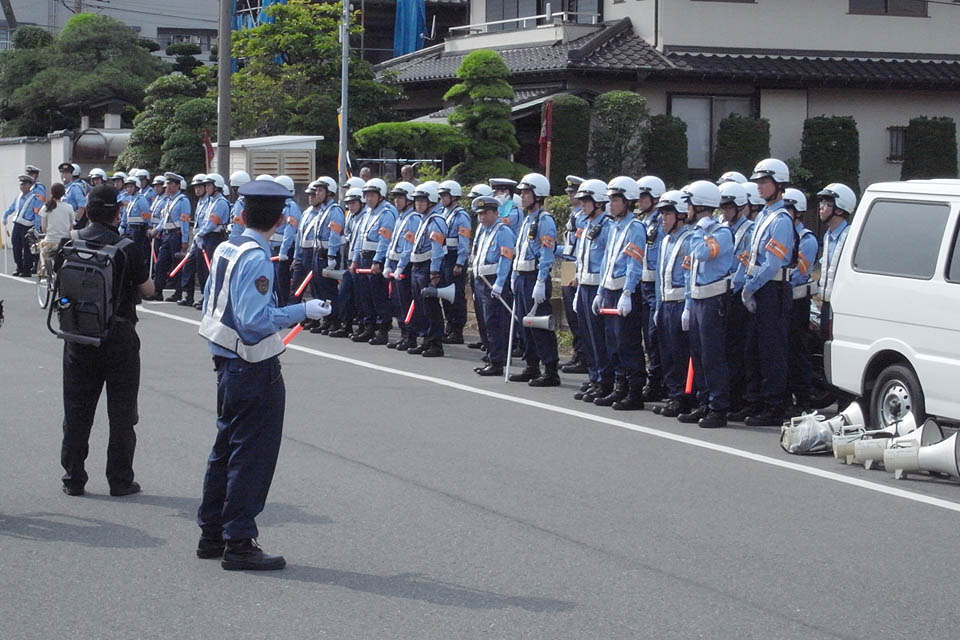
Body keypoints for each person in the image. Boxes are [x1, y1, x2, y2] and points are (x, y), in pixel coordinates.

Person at [197, 178, 332, 571]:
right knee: (252, 456)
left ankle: (212, 533)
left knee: (225, 450)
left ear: (242, 212)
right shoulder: (257, 256)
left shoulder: (227, 245)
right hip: (252, 362)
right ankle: (238, 540)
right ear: (281, 217)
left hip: (225, 359)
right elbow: (255, 322)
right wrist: (301, 311)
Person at [60, 185, 155, 497]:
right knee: (122, 412)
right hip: (119, 336)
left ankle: (73, 478)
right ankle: (120, 479)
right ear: (118, 212)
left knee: (76, 410)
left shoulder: (70, 242)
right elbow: (148, 289)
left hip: (79, 334)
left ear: (87, 209)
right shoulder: (127, 247)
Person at [739, 158, 796, 426]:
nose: (760, 187)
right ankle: (756, 401)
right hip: (758, 287)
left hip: (772, 289)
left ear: (778, 184)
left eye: (764, 182)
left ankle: (774, 406)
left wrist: (750, 287)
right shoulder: (762, 215)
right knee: (753, 349)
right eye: (758, 182)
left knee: (772, 350)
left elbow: (773, 263)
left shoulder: (782, 220)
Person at [681, 181, 734, 429]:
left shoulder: (721, 233)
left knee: (713, 356)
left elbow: (702, 253)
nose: (686, 209)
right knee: (698, 354)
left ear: (700, 205)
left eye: (690, 204)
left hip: (714, 301)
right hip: (698, 299)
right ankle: (703, 402)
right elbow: (691, 269)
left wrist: (698, 232)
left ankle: (718, 407)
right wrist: (688, 304)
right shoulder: (700, 231)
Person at [592, 176, 648, 410]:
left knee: (628, 344)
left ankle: (634, 391)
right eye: (611, 199)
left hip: (626, 293)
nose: (611, 204)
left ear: (628, 201)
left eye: (616, 199)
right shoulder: (613, 227)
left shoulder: (635, 228)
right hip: (610, 291)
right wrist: (600, 291)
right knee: (612, 342)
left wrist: (627, 292)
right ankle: (619, 386)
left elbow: (635, 263)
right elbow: (607, 261)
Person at [509, 172, 561, 387]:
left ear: (538, 195)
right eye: (521, 192)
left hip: (534, 277)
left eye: (526, 192)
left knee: (539, 324)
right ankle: (531, 365)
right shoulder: (527, 219)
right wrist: (514, 274)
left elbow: (546, 253)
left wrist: (541, 280)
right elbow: (519, 250)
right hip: (522, 276)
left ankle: (550, 369)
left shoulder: (544, 220)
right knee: (524, 324)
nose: (522, 196)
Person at [653, 191, 695, 418]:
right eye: (662, 214)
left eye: (668, 214)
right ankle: (672, 394)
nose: (663, 218)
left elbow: (688, 276)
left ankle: (684, 398)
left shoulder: (688, 239)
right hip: (666, 302)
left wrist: (688, 306)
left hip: (680, 302)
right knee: (667, 352)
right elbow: (660, 276)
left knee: (681, 354)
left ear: (680, 215)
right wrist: (658, 306)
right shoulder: (665, 240)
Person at [569, 179, 611, 402]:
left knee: (598, 337)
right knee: (588, 336)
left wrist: (602, 291)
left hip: (598, 287)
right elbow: (581, 257)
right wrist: (576, 281)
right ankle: (595, 377)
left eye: (586, 200)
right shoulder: (586, 224)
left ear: (598, 202)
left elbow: (607, 260)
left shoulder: (607, 226)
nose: (581, 203)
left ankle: (605, 380)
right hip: (584, 285)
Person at [719, 181, 754, 418]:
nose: (725, 211)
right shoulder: (722, 228)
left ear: (740, 206)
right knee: (723, 349)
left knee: (739, 350)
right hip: (719, 293)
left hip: (737, 294)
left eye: (729, 207)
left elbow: (745, 266)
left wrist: (732, 285)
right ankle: (729, 394)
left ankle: (741, 398)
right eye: (723, 207)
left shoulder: (748, 231)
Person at [470, 196, 516, 376]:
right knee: (485, 321)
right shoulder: (484, 231)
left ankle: (498, 360)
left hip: (493, 280)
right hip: (481, 280)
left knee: (495, 322)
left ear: (496, 213)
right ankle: (492, 356)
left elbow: (506, 258)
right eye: (480, 214)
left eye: (486, 213)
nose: (482, 217)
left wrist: (499, 282)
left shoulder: (502, 231)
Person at [783, 188, 819, 415]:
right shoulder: (784, 234)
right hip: (781, 299)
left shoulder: (806, 239)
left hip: (798, 300)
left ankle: (804, 399)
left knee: (797, 350)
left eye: (788, 209)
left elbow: (801, 271)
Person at [350, 178, 397, 345]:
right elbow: (359, 238)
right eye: (367, 195)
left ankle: (382, 330)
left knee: (379, 296)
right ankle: (368, 326)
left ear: (381, 195)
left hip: (378, 259)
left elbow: (385, 240)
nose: (369, 199)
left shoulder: (387, 213)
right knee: (365, 295)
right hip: (363, 257)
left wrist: (377, 261)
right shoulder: (367, 213)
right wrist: (355, 259)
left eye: (372, 195)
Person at [402, 182, 447, 356]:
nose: (418, 204)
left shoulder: (436, 220)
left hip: (428, 267)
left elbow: (436, 249)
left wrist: (434, 271)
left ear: (431, 201)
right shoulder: (423, 219)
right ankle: (426, 340)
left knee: (430, 307)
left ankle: (435, 343)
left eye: (422, 200)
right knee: (420, 306)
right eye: (416, 201)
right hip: (417, 266)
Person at [636, 175, 667, 401]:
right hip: (643, 282)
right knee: (647, 336)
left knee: (656, 336)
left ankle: (659, 381)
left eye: (643, 196)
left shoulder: (662, 222)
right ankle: (653, 379)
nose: (639, 201)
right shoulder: (644, 221)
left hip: (656, 284)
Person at [383, 181, 422, 350]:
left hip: (404, 266)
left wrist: (400, 266)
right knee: (397, 302)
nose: (397, 201)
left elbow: (408, 247)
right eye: (396, 198)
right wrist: (387, 264)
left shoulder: (413, 219)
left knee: (406, 302)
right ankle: (403, 334)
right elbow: (391, 242)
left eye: (401, 198)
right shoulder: (400, 218)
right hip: (393, 262)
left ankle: (410, 336)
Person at [816, 183, 856, 341]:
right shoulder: (828, 236)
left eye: (826, 204)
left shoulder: (850, 236)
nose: (821, 208)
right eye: (821, 203)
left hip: (842, 304)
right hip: (826, 302)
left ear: (839, 209)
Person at [559, 175, 588, 375]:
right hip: (567, 263)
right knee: (570, 312)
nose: (570, 196)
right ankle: (578, 354)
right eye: (569, 192)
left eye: (574, 193)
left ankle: (583, 355)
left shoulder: (584, 217)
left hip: (575, 265)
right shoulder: (574, 214)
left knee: (577, 314)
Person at [308, 176, 345, 333]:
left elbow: (334, 235)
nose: (317, 193)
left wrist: (331, 256)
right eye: (316, 190)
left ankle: (333, 319)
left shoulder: (335, 211)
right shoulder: (322, 210)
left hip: (327, 254)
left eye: (320, 190)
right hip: (318, 252)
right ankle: (325, 318)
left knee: (328, 290)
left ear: (329, 192)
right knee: (318, 288)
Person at [146, 173, 191, 302]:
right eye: (167, 184)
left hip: (176, 235)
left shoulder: (183, 200)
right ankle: (157, 291)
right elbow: (164, 220)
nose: (168, 187)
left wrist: (184, 241)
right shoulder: (169, 200)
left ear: (177, 185)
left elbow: (184, 221)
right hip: (166, 235)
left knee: (176, 264)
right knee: (160, 263)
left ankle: (178, 292)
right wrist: (156, 230)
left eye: (170, 184)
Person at [437, 180, 472, 345]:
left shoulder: (461, 216)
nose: (442, 198)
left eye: (445, 195)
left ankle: (457, 330)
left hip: (454, 258)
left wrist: (460, 262)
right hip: (444, 257)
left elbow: (464, 242)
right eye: (441, 195)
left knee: (456, 296)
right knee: (445, 294)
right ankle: (449, 327)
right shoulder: (443, 212)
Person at [329, 187, 365, 338]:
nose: (351, 206)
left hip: (362, 260)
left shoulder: (365, 217)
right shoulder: (352, 216)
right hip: (351, 258)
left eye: (354, 203)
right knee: (345, 294)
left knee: (361, 297)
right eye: (349, 203)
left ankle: (364, 326)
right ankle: (346, 325)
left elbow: (360, 241)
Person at [3, 174, 43, 276]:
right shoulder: (18, 197)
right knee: (16, 247)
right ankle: (19, 267)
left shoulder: (35, 198)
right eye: (21, 184)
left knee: (27, 249)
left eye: (25, 184)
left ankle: (27, 270)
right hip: (17, 225)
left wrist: (37, 228)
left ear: (30, 185)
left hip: (28, 226)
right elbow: (11, 208)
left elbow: (37, 214)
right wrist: (5, 216)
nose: (22, 186)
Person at [274, 175, 301, 305]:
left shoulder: (291, 207)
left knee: (282, 281)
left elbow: (290, 230)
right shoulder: (279, 206)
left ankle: (284, 305)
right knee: (276, 281)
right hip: (275, 249)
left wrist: (283, 251)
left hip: (284, 251)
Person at [38, 183, 75, 275]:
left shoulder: (46, 207)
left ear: (51, 193)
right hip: (64, 242)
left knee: (42, 249)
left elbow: (43, 228)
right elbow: (71, 226)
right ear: (64, 193)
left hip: (51, 241)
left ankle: (43, 265)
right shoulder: (69, 207)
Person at [120, 175, 153, 271]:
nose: (128, 189)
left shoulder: (141, 199)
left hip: (138, 229)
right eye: (127, 187)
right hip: (129, 229)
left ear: (136, 187)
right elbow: (126, 215)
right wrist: (122, 226)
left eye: (131, 187)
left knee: (137, 251)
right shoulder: (130, 200)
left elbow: (147, 215)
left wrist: (148, 226)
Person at [59, 163, 87, 228]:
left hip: (71, 221)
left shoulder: (75, 188)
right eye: (62, 173)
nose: (64, 175)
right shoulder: (61, 188)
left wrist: (75, 221)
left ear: (71, 175)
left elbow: (82, 206)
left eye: (67, 173)